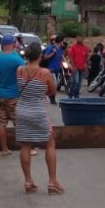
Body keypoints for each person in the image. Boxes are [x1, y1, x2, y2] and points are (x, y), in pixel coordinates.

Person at [15, 42, 65, 194]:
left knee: (25, 145)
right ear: (40, 56)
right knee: (49, 143)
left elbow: (20, 88)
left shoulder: (19, 70)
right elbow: (52, 91)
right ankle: (52, 181)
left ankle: (28, 181)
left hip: (22, 110)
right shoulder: (45, 73)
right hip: (38, 111)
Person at [0, 34, 26, 156]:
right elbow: (25, 76)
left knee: (1, 123)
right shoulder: (17, 60)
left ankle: (4, 149)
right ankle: (27, 149)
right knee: (19, 122)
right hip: (13, 96)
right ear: (12, 44)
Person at [40, 35, 65, 104]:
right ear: (60, 41)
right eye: (63, 41)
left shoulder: (61, 48)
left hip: (57, 69)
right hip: (50, 69)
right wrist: (53, 53)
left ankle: (51, 97)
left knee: (54, 84)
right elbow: (45, 57)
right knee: (54, 84)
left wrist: (62, 63)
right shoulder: (51, 48)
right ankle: (52, 98)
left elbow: (61, 57)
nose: (63, 42)